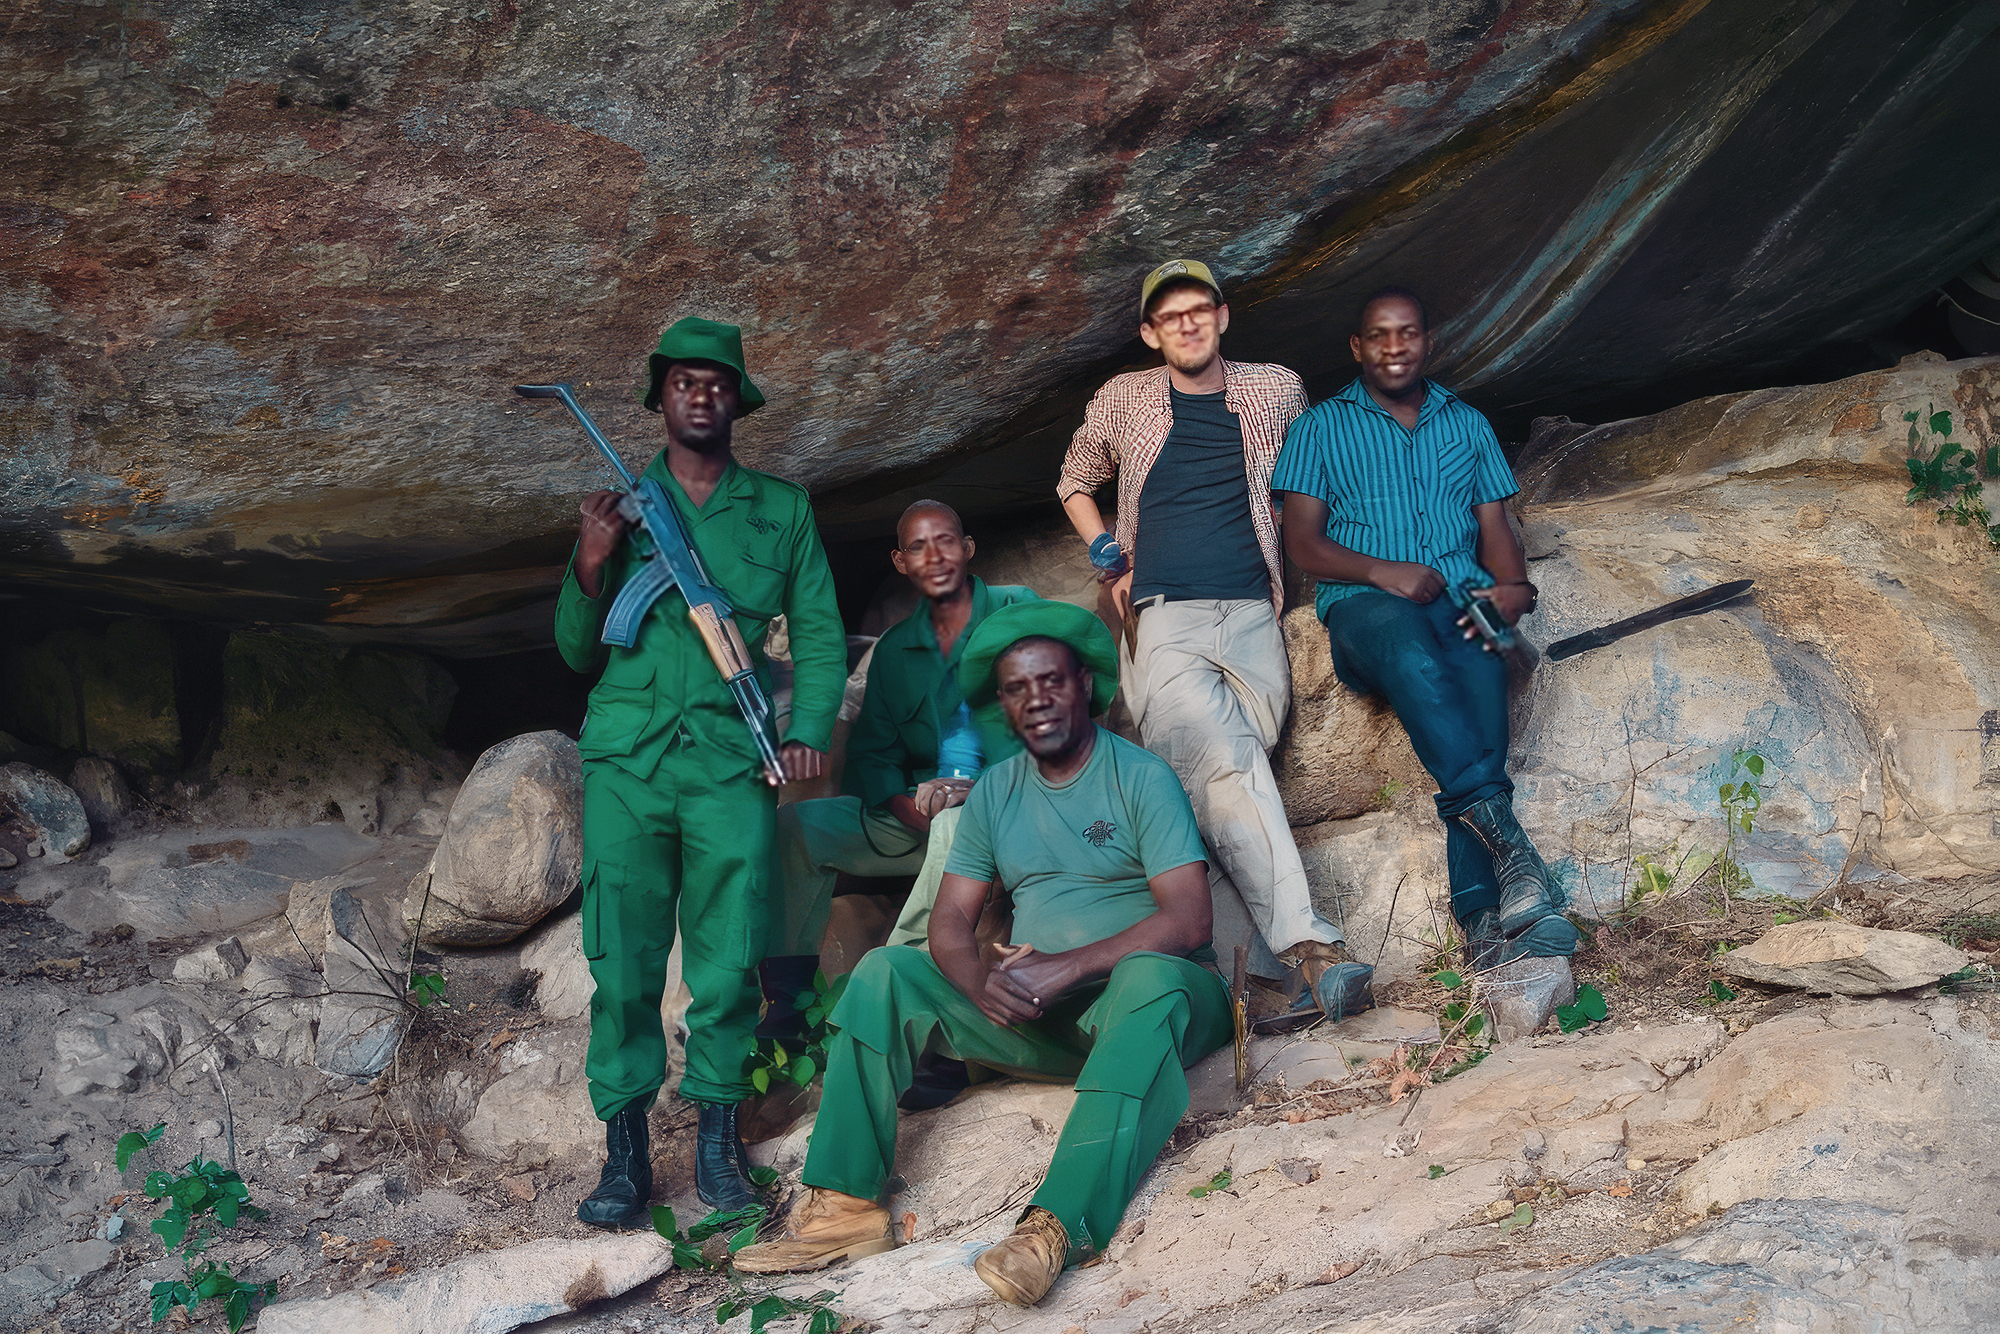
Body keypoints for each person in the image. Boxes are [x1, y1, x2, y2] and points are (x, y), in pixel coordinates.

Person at [733, 600, 1232, 1307]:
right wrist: (980, 983)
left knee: (1150, 977)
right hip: (1047, 1018)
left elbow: (1187, 918)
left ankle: (1053, 1228)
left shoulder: (1139, 776)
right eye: (1017, 689)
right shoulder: (996, 792)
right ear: (1002, 704)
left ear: (1084, 684)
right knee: (885, 970)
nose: (1037, 700)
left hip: (1157, 1002)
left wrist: (1070, 964)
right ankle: (844, 1207)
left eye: (1051, 681)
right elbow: (949, 922)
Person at [554, 317, 846, 1227]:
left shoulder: (781, 511)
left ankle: (718, 1144)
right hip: (628, 763)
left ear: (737, 401)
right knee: (623, 960)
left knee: (727, 960)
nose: (701, 395)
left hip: (729, 761)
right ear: (662, 398)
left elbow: (820, 632)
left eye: (717, 382)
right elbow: (574, 651)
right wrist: (592, 560)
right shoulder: (622, 506)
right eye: (684, 381)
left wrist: (807, 729)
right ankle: (625, 1153)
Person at [1056, 257, 1358, 1017]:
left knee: (1219, 781)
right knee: (1225, 764)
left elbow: (1314, 479)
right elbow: (1074, 479)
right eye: (1170, 316)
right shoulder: (1125, 397)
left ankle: (1252, 987)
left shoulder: (1276, 388)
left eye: (1199, 310)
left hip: (1254, 615)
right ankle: (1313, 949)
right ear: (1150, 333)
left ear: (1222, 316)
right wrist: (1105, 552)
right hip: (1164, 618)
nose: (1187, 325)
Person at [1271, 287, 1577, 970]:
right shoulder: (1319, 427)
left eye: (1407, 333)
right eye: (1379, 335)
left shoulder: (1466, 423)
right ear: (1357, 347)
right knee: (1414, 653)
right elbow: (1303, 543)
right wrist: (1386, 572)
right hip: (1366, 609)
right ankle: (1518, 858)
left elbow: (1496, 528)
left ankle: (1490, 920)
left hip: (1462, 601)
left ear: (1428, 342)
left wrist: (1512, 591)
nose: (1394, 347)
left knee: (1482, 703)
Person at [765, 500, 1039, 1102]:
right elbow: (872, 759)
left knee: (955, 824)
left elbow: (1063, 715)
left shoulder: (1018, 609)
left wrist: (981, 791)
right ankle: (787, 1010)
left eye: (947, 541)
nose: (934, 556)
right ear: (900, 561)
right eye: (918, 546)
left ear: (968, 548)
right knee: (797, 828)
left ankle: (897, 1005)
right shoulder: (895, 650)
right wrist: (905, 805)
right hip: (922, 814)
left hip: (1015, 808)